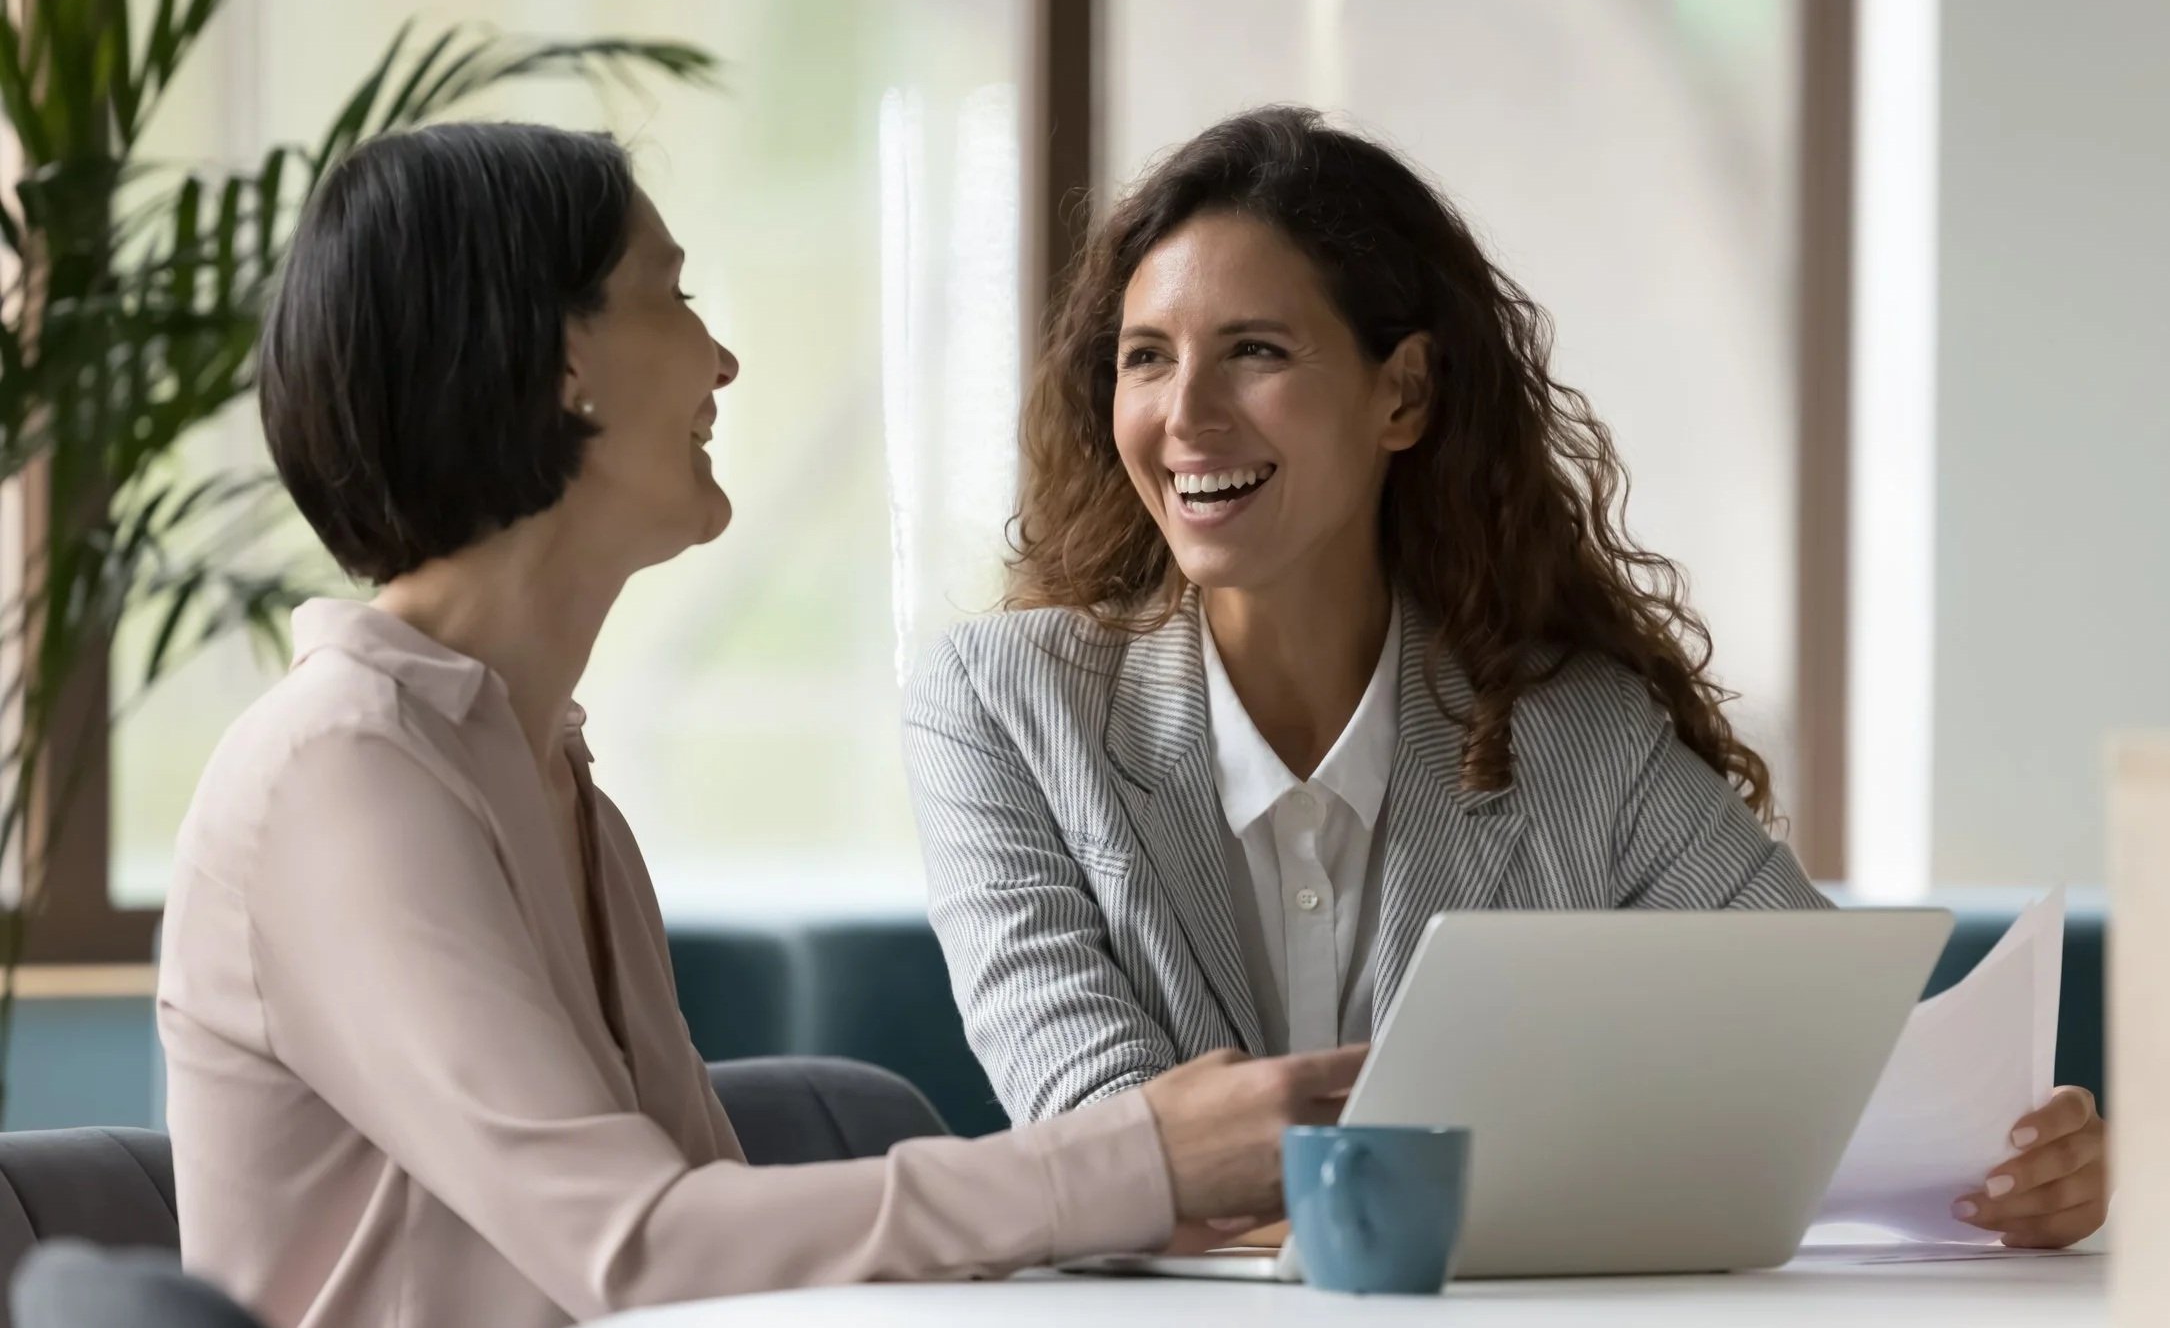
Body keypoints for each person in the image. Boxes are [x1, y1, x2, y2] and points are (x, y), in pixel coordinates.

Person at [154, 122, 1365, 1328]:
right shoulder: (341, 770)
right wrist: (1137, 1159)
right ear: (553, 357)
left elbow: (716, 1253)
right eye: (669, 293)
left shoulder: (553, 783)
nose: (720, 359)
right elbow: (635, 1249)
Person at [904, 105, 2107, 1250]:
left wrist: (2018, 1168)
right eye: (1145, 359)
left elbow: (1831, 1069)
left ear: (1405, 394)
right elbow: (1101, 1138)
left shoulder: (1578, 736)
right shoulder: (1001, 705)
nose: (1185, 415)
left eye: (1255, 351)